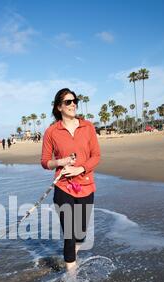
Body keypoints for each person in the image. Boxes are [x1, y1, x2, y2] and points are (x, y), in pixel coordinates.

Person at [41, 88, 100, 272]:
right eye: (68, 101)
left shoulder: (88, 127)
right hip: (63, 187)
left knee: (80, 234)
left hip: (86, 186)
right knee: (69, 233)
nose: (73, 104)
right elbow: (45, 162)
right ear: (59, 107)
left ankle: (71, 254)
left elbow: (96, 156)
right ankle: (71, 281)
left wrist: (80, 168)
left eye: (75, 100)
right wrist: (61, 161)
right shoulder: (51, 132)